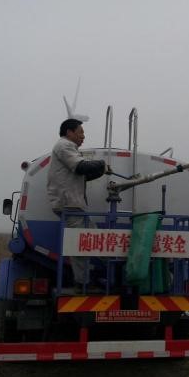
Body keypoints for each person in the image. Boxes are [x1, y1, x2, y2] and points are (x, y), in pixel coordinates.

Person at [47, 118, 106, 290]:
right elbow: (80, 167)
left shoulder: (68, 148)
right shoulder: (64, 145)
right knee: (84, 243)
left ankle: (85, 280)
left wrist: (99, 170)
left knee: (88, 240)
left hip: (72, 204)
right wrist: (101, 164)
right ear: (69, 132)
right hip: (69, 204)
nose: (83, 136)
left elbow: (82, 175)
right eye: (80, 132)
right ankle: (82, 282)